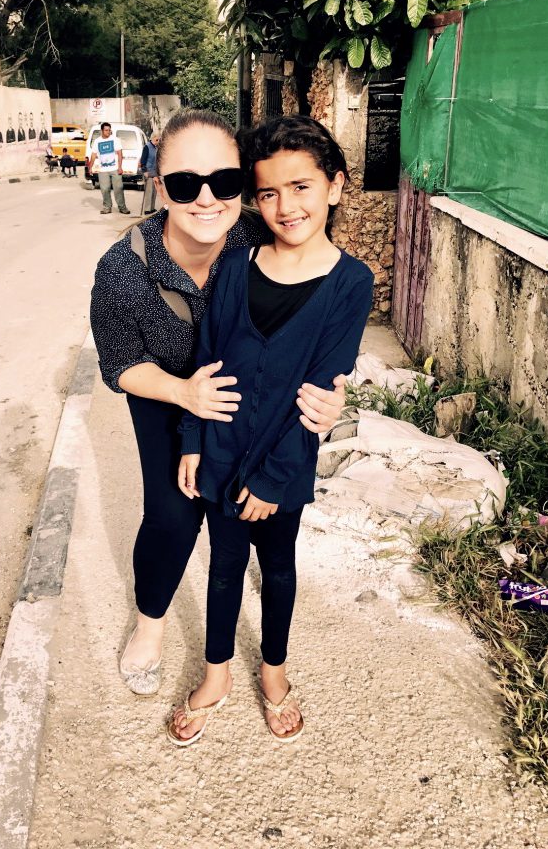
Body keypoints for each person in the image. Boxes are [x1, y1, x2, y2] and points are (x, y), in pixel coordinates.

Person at [90, 110, 348, 699]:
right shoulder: (122, 269)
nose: (206, 199)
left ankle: (244, 647)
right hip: (163, 393)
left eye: (224, 182)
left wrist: (333, 396)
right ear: (159, 186)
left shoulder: (259, 238)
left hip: (247, 400)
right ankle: (151, 626)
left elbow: (319, 316)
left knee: (244, 520)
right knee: (172, 516)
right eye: (185, 184)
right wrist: (183, 394)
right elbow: (119, 364)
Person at [167, 115, 373, 748]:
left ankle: (275, 674)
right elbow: (204, 357)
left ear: (335, 187)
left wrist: (276, 478)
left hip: (280, 469)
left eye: (303, 186)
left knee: (277, 570)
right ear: (255, 200)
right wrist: (193, 440)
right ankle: (216, 674)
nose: (287, 206)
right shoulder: (234, 268)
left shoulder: (350, 284)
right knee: (223, 568)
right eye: (269, 193)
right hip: (221, 453)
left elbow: (319, 391)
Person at [91, 122, 129, 215]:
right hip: (103, 169)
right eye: (106, 130)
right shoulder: (97, 141)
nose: (108, 132)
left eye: (109, 130)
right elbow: (93, 155)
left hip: (115, 168)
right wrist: (90, 166)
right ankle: (107, 207)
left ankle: (122, 207)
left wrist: (120, 167)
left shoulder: (115, 140)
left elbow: (120, 154)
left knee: (118, 188)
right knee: (104, 189)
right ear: (102, 131)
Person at [139, 131, 159, 214]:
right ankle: (147, 209)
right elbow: (143, 160)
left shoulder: (156, 147)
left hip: (155, 172)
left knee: (154, 191)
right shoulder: (147, 147)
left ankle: (151, 208)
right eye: (157, 139)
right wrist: (145, 171)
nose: (159, 141)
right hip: (148, 171)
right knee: (149, 191)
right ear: (154, 138)